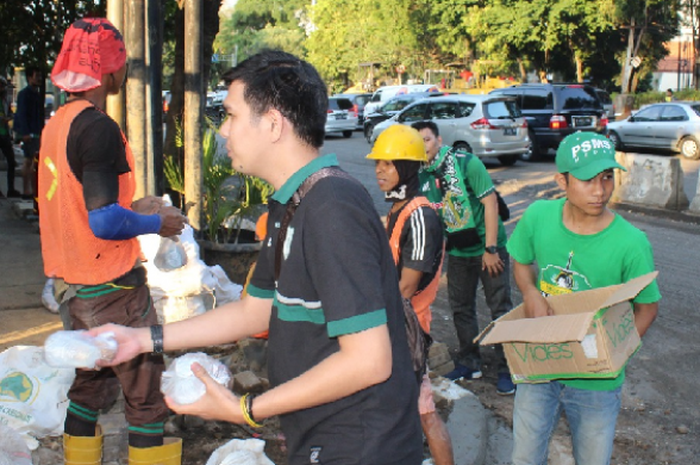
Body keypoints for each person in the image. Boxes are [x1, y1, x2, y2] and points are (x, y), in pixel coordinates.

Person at [90, 50, 423, 465]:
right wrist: (140, 339)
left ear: (272, 124)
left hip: (360, 445)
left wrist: (244, 410)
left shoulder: (332, 208)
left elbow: (369, 361)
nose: (224, 131)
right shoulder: (292, 204)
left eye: (230, 115)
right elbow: (253, 312)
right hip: (320, 435)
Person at [38, 18, 188, 465]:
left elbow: (79, 201)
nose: (124, 72)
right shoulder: (98, 128)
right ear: (109, 69)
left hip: (75, 287)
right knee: (144, 395)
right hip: (112, 287)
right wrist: (157, 224)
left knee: (91, 382)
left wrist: (136, 205)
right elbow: (103, 222)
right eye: (121, 62)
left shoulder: (58, 123)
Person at [507, 132, 661, 465]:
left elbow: (647, 307)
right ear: (561, 180)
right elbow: (520, 260)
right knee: (523, 457)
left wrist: (615, 354)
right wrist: (531, 291)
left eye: (607, 177)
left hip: (596, 382)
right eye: (587, 180)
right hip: (540, 366)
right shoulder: (537, 216)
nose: (600, 190)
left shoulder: (631, 243)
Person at [367, 124, 454, 465]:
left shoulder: (419, 216)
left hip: (407, 329)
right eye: (378, 163)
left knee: (423, 411)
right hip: (394, 323)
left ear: (407, 167)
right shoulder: (398, 210)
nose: (379, 171)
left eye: (388, 164)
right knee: (410, 410)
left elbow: (406, 286)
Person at [411, 120, 515, 395]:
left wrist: (490, 249)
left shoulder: (466, 163)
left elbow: (490, 203)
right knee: (461, 307)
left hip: (488, 247)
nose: (423, 146)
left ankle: (507, 368)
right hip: (458, 249)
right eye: (417, 141)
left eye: (427, 140)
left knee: (500, 308)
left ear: (439, 140)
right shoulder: (418, 173)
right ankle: (470, 361)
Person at [13, 65, 44, 200]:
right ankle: (27, 190)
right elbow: (22, 114)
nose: (39, 79)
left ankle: (31, 190)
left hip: (35, 131)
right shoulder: (24, 95)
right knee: (28, 161)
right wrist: (25, 132)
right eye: (36, 76)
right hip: (28, 133)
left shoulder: (36, 94)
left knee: (33, 161)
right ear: (29, 77)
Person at [0, 77, 20, 198]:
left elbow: (9, 112)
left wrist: (10, 116)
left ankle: (11, 189)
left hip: (5, 133)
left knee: (11, 162)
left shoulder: (5, 99)